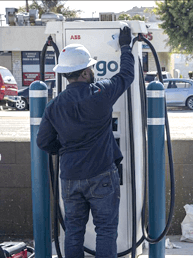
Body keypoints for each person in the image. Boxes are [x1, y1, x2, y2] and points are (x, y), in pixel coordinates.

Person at [37, 26, 133, 258]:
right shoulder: (101, 92)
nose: (92, 71)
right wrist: (125, 47)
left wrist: (67, 150)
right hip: (102, 175)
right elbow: (126, 75)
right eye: (90, 67)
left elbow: (43, 142)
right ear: (83, 72)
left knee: (73, 232)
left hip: (70, 177)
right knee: (106, 230)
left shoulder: (54, 106)